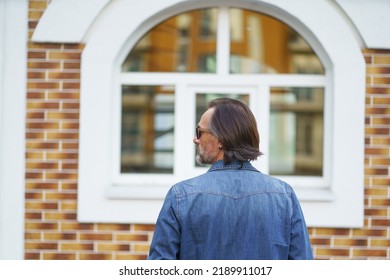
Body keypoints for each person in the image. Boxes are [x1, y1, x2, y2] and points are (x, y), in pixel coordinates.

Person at [148, 98, 313, 260]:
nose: (195, 139)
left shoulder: (180, 196)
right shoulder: (284, 196)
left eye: (199, 132)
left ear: (220, 139)